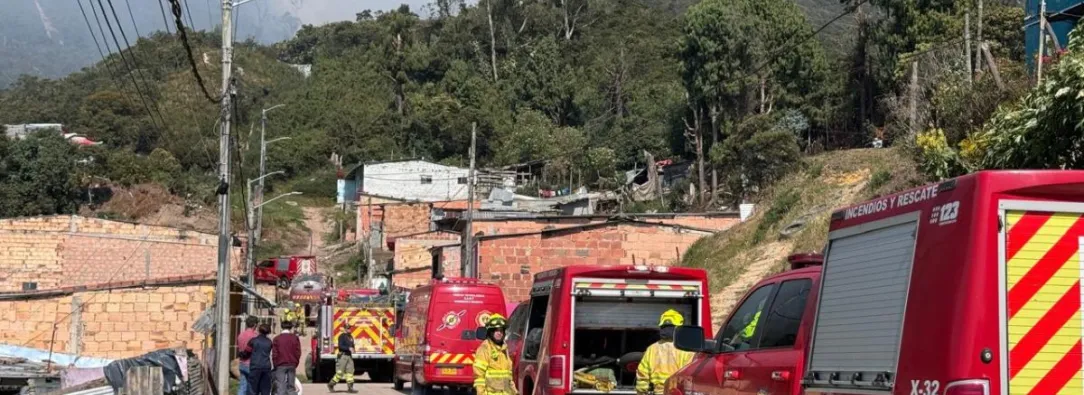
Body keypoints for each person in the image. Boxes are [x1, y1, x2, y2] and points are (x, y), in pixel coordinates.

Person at [636, 310, 694, 395]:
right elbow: (691, 375)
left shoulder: (652, 349)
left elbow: (642, 375)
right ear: (679, 327)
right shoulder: (686, 349)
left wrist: (641, 392)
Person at [472, 314, 517, 395]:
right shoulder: (485, 349)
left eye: (501, 330)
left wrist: (515, 392)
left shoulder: (504, 350)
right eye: (496, 330)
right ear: (490, 332)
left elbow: (509, 378)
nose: (499, 333)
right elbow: (479, 377)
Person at [273, 321, 302, 395]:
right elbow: (298, 352)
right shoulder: (295, 338)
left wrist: (275, 364)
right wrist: (296, 362)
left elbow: (275, 353)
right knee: (291, 387)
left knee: (280, 387)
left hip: (280, 364)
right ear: (291, 327)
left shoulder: (277, 339)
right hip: (292, 364)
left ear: (281, 327)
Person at [327, 321, 356, 392]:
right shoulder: (341, 336)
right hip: (342, 356)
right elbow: (340, 346)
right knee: (340, 372)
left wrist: (353, 349)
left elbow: (352, 345)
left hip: (349, 356)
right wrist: (348, 348)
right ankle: (331, 384)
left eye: (350, 328)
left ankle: (350, 388)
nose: (349, 329)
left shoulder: (350, 336)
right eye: (348, 328)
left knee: (350, 372)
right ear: (345, 329)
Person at [247, 324, 274, 395]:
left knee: (253, 389)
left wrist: (241, 355)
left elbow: (246, 352)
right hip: (266, 367)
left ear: (259, 330)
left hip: (255, 367)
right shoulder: (269, 342)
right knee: (265, 390)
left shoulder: (253, 341)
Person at [237, 316, 260, 395]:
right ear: (254, 325)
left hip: (242, 363)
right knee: (253, 388)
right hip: (251, 364)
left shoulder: (240, 335)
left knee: (242, 387)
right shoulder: (255, 336)